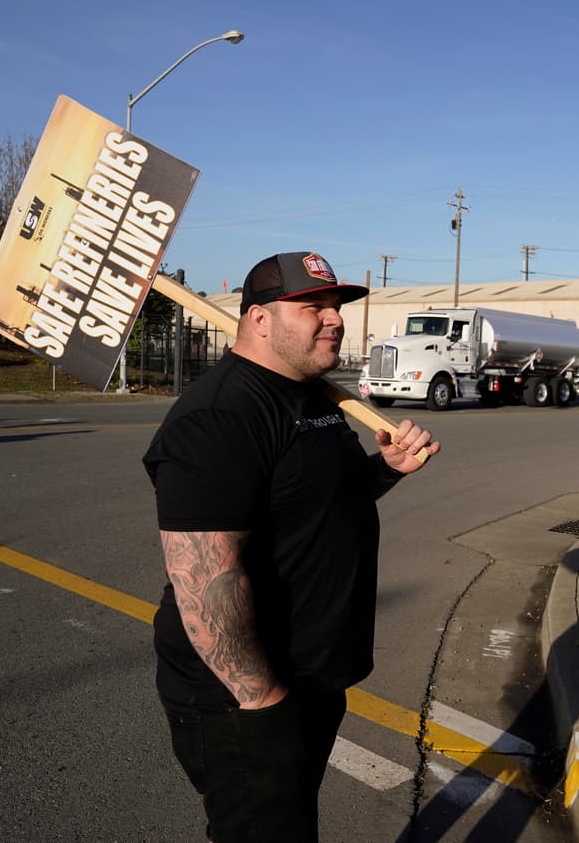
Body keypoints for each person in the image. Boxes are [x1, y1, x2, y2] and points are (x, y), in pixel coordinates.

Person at [143, 251, 440, 843]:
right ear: (258, 320)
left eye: (335, 307)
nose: (333, 320)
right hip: (245, 693)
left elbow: (320, 504)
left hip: (311, 675)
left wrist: (387, 470)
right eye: (312, 308)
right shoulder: (219, 418)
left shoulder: (312, 397)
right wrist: (263, 702)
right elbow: (205, 581)